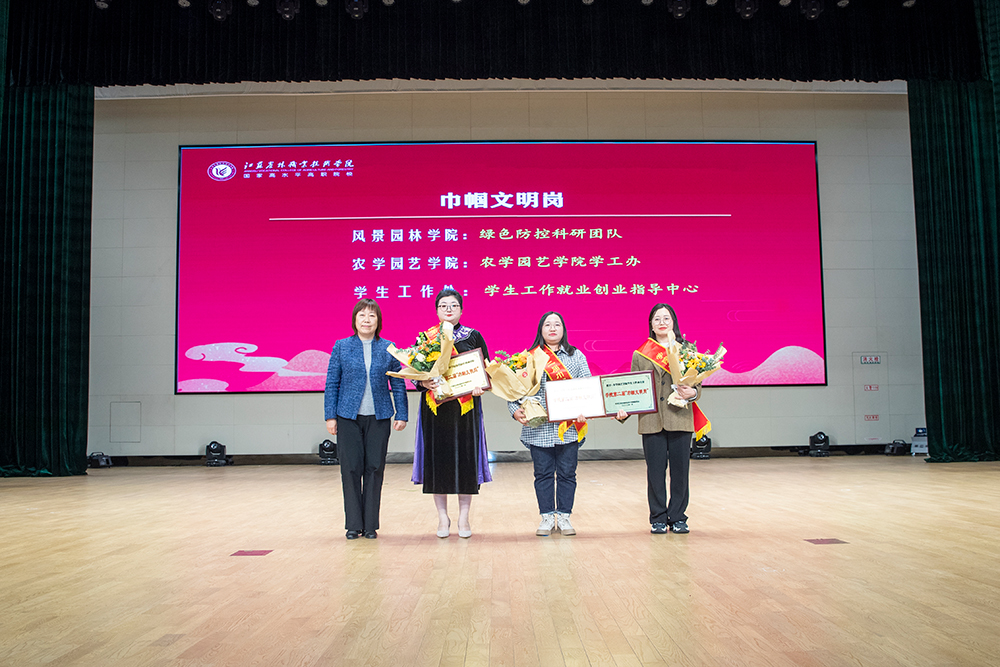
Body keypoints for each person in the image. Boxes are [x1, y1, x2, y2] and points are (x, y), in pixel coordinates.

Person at [324, 299, 408, 540]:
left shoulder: (389, 348)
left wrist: (401, 413)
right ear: (355, 320)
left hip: (379, 417)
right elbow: (332, 383)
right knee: (350, 469)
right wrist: (330, 416)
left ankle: (370, 525)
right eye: (362, 315)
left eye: (372, 315)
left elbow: (398, 383)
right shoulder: (341, 346)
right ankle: (353, 524)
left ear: (378, 321)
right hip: (348, 417)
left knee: (374, 468)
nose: (367, 320)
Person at [412, 288, 492, 538]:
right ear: (436, 310)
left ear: (461, 310)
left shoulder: (473, 336)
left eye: (453, 305)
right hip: (435, 409)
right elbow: (415, 375)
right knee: (438, 462)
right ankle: (442, 518)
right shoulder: (426, 338)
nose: (448, 309)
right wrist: (423, 382)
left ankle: (464, 518)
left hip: (465, 408)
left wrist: (481, 386)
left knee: (466, 461)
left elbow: (487, 370)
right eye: (443, 305)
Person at [617, 303, 700, 535]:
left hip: (680, 417)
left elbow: (698, 384)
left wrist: (692, 393)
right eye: (657, 319)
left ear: (673, 322)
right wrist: (623, 411)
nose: (662, 322)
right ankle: (658, 518)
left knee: (680, 472)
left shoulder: (687, 350)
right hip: (651, 421)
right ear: (651, 325)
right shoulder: (640, 354)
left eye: (666, 318)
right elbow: (633, 389)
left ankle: (678, 517)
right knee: (655, 472)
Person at [510, 312, 591, 537]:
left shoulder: (576, 356)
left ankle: (564, 516)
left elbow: (588, 387)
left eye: (557, 324)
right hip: (539, 429)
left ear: (563, 329)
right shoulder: (528, 357)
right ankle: (546, 516)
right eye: (548, 324)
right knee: (543, 474)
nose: (552, 328)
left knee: (567, 474)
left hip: (569, 428)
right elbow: (513, 389)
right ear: (541, 329)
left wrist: (586, 409)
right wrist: (514, 410)